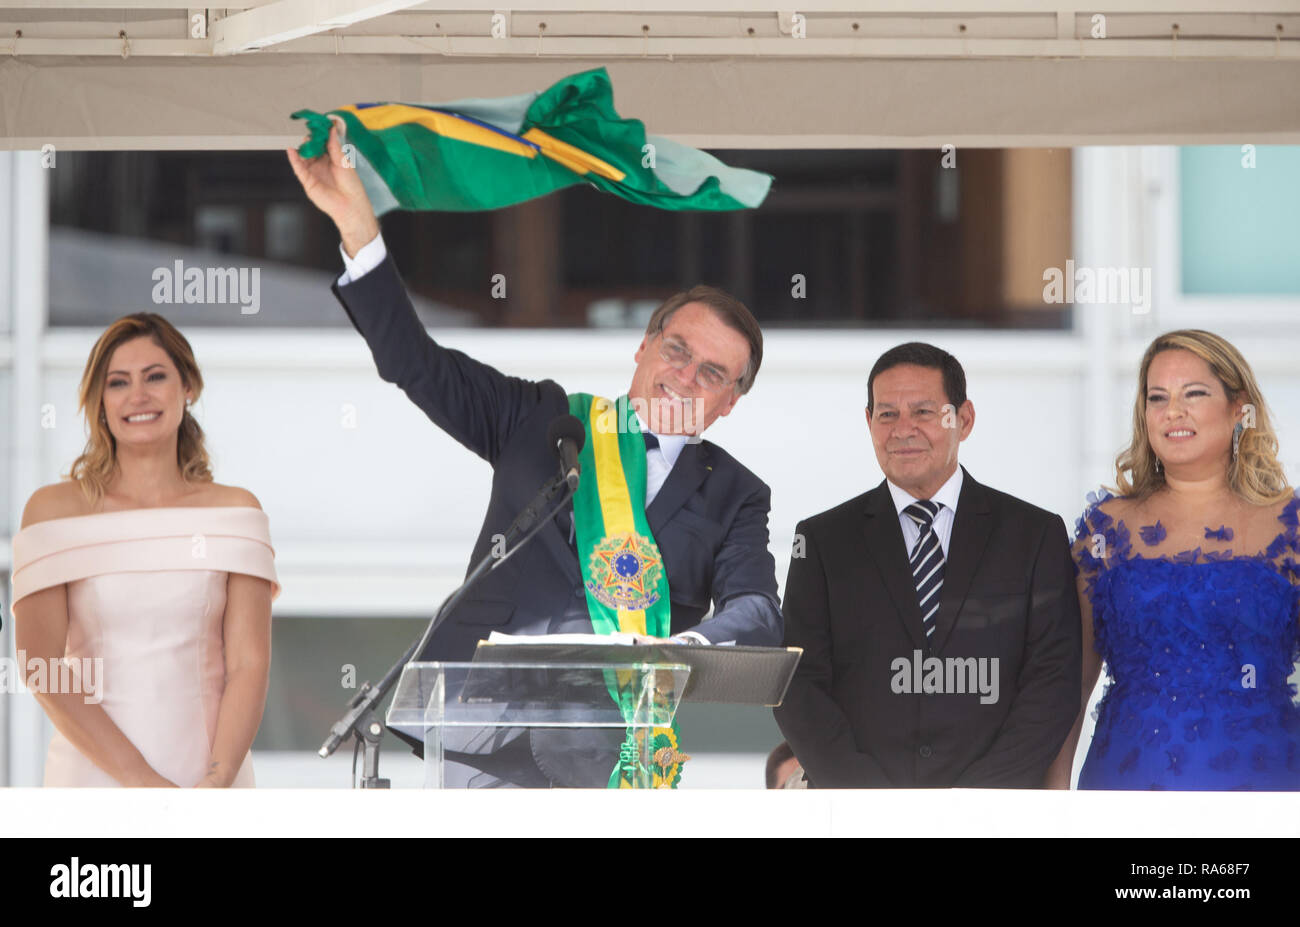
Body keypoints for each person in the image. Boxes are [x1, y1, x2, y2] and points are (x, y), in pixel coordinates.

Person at [287, 121, 781, 787]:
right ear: (644, 344)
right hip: (480, 732)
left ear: (730, 403)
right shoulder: (543, 420)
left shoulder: (735, 492)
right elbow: (415, 362)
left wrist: (681, 649)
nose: (685, 375)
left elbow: (756, 609)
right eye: (677, 349)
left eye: (714, 373)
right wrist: (356, 225)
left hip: (614, 750)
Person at [774, 342, 1081, 787]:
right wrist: (872, 801)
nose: (903, 430)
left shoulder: (1034, 535)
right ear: (868, 422)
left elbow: (1053, 682)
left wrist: (972, 804)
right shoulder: (821, 540)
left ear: (965, 419)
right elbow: (799, 684)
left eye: (923, 412)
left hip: (990, 818)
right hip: (862, 816)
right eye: (886, 414)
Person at [9, 313, 279, 788]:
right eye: (118, 383)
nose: (138, 396)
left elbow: (248, 665)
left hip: (211, 786)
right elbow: (41, 665)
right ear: (100, 402)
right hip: (91, 784)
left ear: (188, 387)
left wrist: (215, 786)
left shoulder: (236, 511)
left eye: (155, 376)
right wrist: (142, 783)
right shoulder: (53, 511)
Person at [1046, 330, 1300, 790]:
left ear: (1239, 407)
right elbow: (1072, 682)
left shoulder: (1291, 525)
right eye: (1157, 397)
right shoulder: (1105, 529)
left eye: (1194, 394)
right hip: (1128, 783)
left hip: (1268, 789)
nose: (1173, 412)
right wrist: (1053, 800)